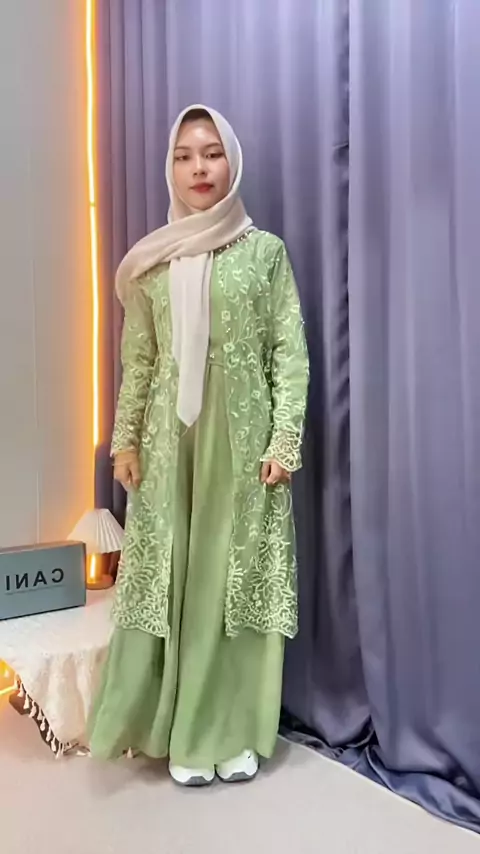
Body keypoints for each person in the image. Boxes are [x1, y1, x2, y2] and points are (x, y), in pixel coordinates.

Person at [87, 105, 309, 787]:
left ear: (231, 161)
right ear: (171, 168)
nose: (199, 168)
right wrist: (125, 442)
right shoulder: (152, 261)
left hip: (241, 446)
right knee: (172, 581)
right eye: (184, 156)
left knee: (227, 584)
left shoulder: (264, 252)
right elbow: (140, 360)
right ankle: (166, 726)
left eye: (211, 153)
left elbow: (289, 353)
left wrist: (285, 438)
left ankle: (228, 730)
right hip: (168, 448)